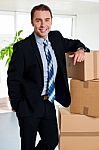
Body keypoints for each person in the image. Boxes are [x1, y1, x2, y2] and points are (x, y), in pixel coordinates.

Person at [7, 4, 90, 150]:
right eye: (38, 20)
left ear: (51, 21)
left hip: (48, 103)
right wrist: (17, 105)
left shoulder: (56, 38)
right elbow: (13, 79)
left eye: (47, 20)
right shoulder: (22, 47)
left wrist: (81, 49)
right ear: (32, 22)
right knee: (27, 146)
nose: (43, 25)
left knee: (52, 141)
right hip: (29, 105)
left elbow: (76, 43)